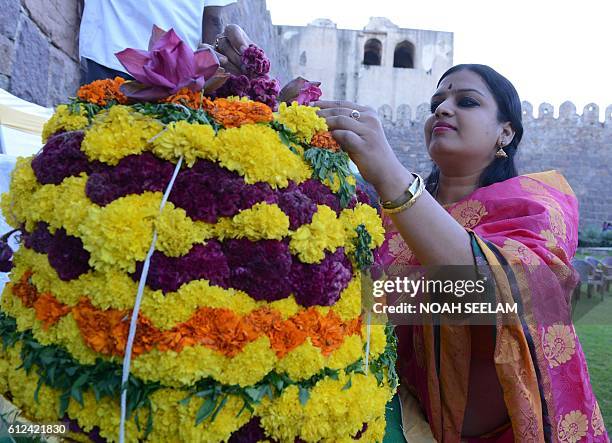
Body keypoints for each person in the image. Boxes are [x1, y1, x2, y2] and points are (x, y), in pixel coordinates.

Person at [213, 25, 608, 442]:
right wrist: (262, 102)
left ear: (505, 132)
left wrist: (390, 177)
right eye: (436, 102)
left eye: (466, 101)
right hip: (398, 421)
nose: (442, 109)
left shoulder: (538, 203)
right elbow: (346, 290)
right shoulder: (387, 215)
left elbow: (503, 297)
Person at [78, 0, 237, 84]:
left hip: (111, 54)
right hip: (179, 71)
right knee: (164, 141)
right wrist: (210, 72)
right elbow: (212, 19)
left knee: (105, 136)